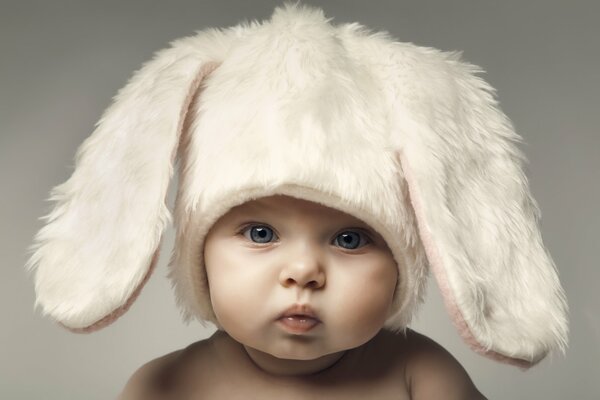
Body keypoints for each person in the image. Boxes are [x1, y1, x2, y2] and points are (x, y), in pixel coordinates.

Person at [26, 2, 568, 399]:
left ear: (414, 259)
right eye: (260, 233)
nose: (304, 271)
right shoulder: (165, 387)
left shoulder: (421, 378)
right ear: (199, 255)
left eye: (350, 238)